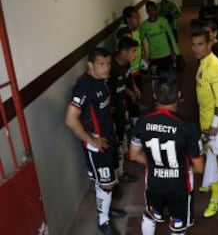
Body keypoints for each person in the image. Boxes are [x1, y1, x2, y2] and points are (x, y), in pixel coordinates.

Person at [129, 77, 204, 235]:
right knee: (178, 225)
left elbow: (133, 154)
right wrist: (179, 166)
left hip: (154, 183)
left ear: (155, 96)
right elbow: (199, 167)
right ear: (179, 94)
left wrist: (153, 163)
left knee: (150, 216)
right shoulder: (188, 127)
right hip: (179, 186)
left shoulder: (143, 122)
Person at [65, 47, 122, 235]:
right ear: (90, 65)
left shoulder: (102, 81)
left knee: (106, 181)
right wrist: (92, 140)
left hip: (108, 140)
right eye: (100, 64)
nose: (106, 68)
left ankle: (104, 209)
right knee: (106, 183)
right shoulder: (84, 86)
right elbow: (70, 119)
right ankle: (103, 221)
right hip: (97, 146)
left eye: (108, 64)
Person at [191, 29, 218, 217]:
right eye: (193, 44)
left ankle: (216, 198)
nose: (196, 49)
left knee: (216, 161)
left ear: (208, 45)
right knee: (209, 153)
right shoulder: (203, 63)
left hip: (216, 122)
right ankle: (208, 182)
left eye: (200, 44)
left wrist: (214, 126)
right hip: (205, 118)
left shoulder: (214, 66)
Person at [108, 37, 139, 183]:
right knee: (114, 147)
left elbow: (125, 80)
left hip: (122, 109)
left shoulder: (126, 65)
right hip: (112, 115)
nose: (135, 55)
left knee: (122, 142)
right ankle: (113, 181)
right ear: (123, 52)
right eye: (133, 52)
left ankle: (121, 173)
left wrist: (132, 91)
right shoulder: (109, 69)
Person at [140, 0, 181, 85]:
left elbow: (171, 36)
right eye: (149, 10)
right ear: (147, 12)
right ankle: (156, 96)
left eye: (153, 9)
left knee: (169, 77)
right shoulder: (144, 25)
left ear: (156, 10)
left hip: (166, 54)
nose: (151, 12)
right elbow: (140, 41)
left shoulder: (163, 21)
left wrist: (177, 52)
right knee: (155, 79)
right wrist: (143, 55)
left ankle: (172, 96)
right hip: (154, 56)